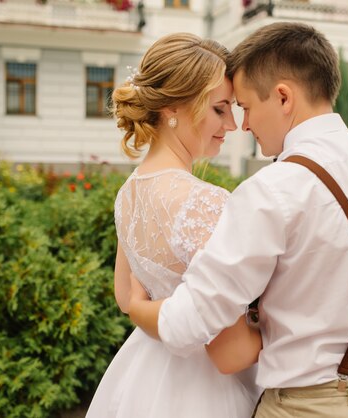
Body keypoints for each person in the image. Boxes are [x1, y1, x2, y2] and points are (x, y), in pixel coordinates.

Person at [127, 22, 348, 418]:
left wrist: (135, 305)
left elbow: (186, 324)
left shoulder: (270, 190)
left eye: (245, 107)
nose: (242, 125)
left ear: (283, 97)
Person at [86, 33, 262, 418]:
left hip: (142, 374)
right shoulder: (207, 202)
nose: (231, 124)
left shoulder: (128, 192)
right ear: (174, 109)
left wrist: (147, 310)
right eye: (220, 109)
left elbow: (124, 297)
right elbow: (231, 352)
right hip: (205, 390)